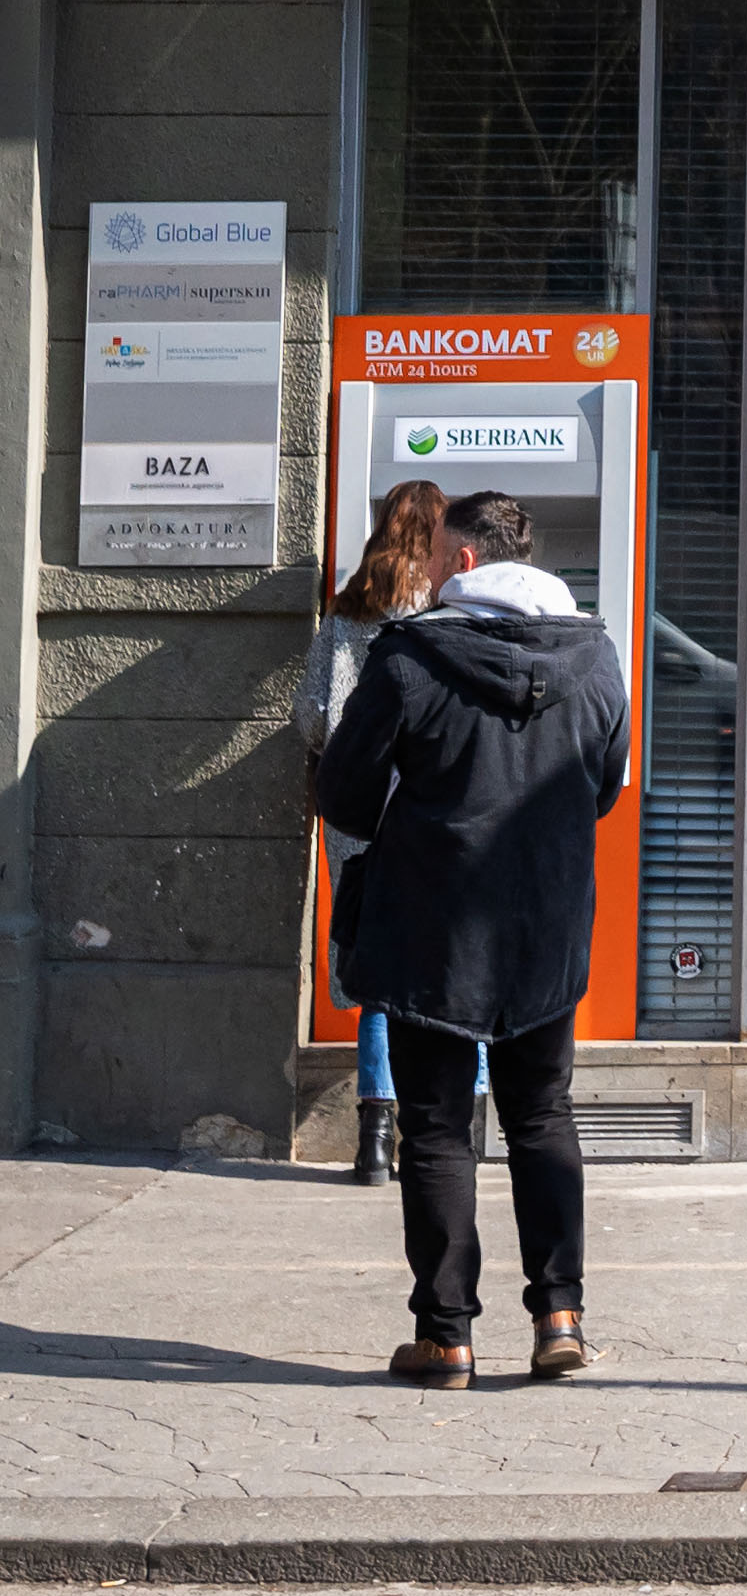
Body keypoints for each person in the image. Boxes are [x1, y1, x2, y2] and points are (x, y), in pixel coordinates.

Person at [316, 489, 635, 1389]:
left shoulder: (410, 657)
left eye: (433, 558)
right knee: (541, 1114)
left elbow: (342, 794)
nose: (421, 573)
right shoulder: (595, 656)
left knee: (435, 1127)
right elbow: (604, 783)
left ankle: (447, 1336)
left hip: (430, 923)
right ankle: (560, 1316)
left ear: (464, 562)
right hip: (544, 921)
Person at [298, 480, 451, 1186]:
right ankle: (456, 1128)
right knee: (451, 963)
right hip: (430, 810)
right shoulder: (448, 610)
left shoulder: (349, 607)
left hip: (358, 814)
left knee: (377, 975)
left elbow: (312, 716)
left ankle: (375, 1144)